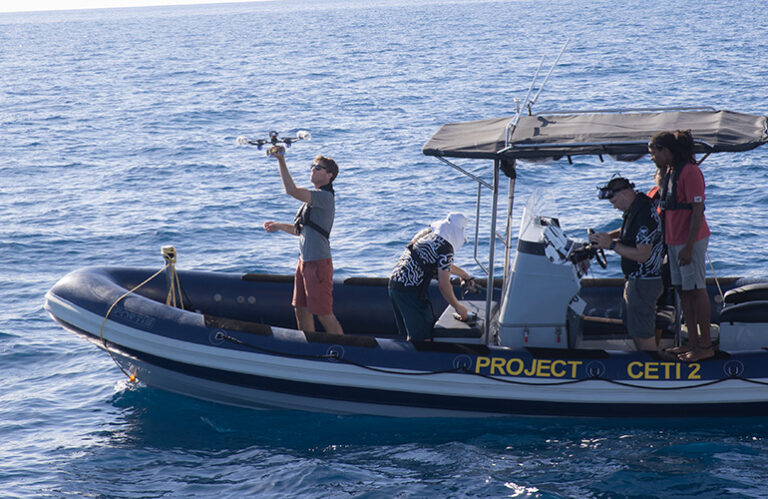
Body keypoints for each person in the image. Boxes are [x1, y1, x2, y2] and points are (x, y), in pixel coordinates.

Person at [263, 147, 343, 335]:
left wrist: (281, 161)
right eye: (312, 166)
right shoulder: (311, 202)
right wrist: (279, 226)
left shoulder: (324, 198)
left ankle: (344, 350)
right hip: (303, 263)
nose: (313, 170)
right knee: (300, 308)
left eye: (318, 168)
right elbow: (301, 230)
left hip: (318, 264)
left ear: (329, 175)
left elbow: (291, 190)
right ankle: (309, 347)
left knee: (323, 314)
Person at [649, 130, 712, 361]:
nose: (652, 158)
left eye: (654, 153)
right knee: (683, 292)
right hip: (673, 240)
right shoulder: (671, 172)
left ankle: (705, 346)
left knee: (696, 290)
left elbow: (697, 210)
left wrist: (688, 246)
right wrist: (662, 171)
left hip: (690, 241)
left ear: (667, 151)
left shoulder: (691, 172)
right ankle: (691, 343)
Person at [590, 177, 665, 351]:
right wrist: (607, 237)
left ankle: (652, 370)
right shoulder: (637, 207)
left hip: (644, 282)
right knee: (637, 331)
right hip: (638, 281)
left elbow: (643, 255)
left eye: (615, 201)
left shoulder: (644, 215)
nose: (614, 206)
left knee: (643, 336)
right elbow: (629, 233)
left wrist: (611, 245)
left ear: (624, 194)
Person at [388, 213, 474, 341]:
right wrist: (458, 307)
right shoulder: (446, 248)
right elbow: (444, 285)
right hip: (409, 291)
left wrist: (464, 275)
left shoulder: (426, 233)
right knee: (423, 338)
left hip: (395, 283)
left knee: (414, 332)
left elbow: (436, 264)